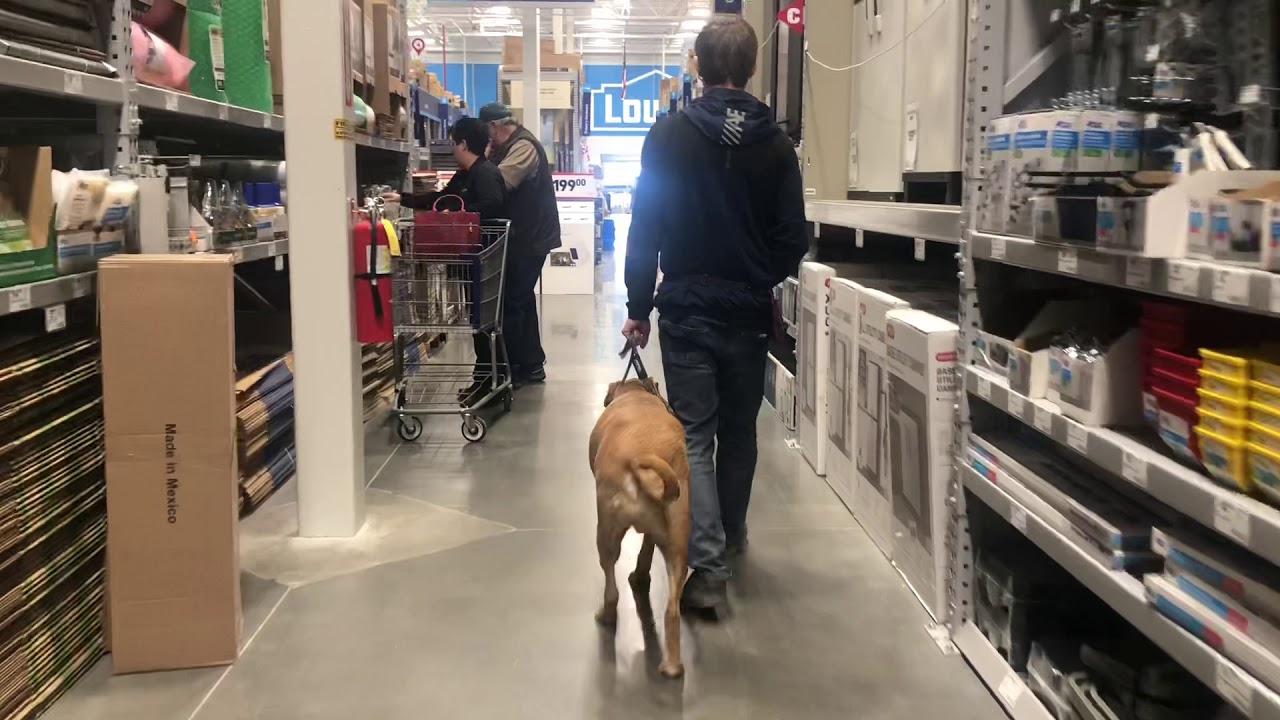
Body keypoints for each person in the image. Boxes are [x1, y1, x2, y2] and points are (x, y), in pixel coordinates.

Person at [621, 18, 808, 615]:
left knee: (695, 436)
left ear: (697, 67)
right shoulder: (776, 145)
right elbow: (794, 237)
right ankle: (729, 534)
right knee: (740, 432)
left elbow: (645, 227)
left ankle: (706, 569)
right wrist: (758, 273)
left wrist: (638, 305)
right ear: (751, 68)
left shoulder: (669, 135)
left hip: (686, 309)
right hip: (747, 312)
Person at [401, 118, 508, 405]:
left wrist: (459, 215)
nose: (451, 149)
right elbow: (441, 198)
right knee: (479, 323)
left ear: (463, 143)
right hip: (470, 259)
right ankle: (485, 380)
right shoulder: (465, 175)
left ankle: (489, 382)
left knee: (484, 325)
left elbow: (493, 204)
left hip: (484, 259)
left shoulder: (485, 173)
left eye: (453, 143)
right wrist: (403, 199)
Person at [478, 102, 561, 386]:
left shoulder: (523, 147)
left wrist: (480, 165)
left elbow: (500, 184)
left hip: (531, 238)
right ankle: (530, 363)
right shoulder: (508, 145)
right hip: (523, 237)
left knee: (513, 301)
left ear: (494, 126)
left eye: (486, 132)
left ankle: (515, 365)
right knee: (520, 299)